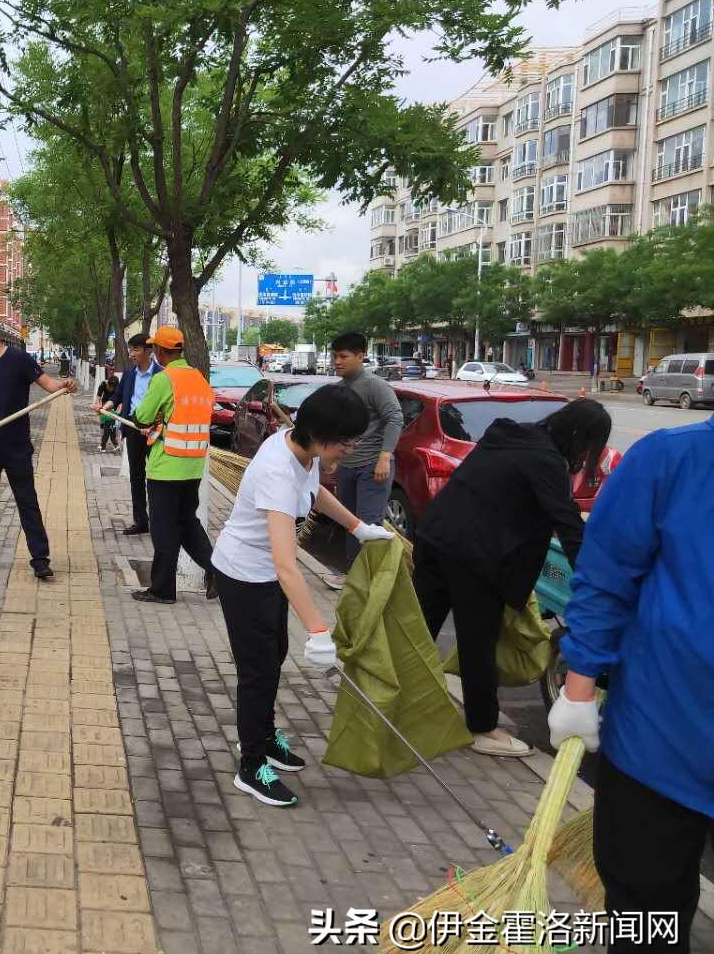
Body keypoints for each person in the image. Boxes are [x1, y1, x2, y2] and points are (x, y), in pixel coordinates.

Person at [547, 419, 712, 954]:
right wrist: (578, 687)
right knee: (649, 927)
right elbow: (605, 578)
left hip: (658, 743)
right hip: (659, 747)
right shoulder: (672, 461)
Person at [211, 384, 392, 806]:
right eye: (347, 441)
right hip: (243, 574)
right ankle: (251, 764)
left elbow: (315, 493)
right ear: (323, 434)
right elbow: (286, 563)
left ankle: (263, 734)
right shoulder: (277, 470)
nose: (350, 448)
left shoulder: (303, 449)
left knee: (274, 656)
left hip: (265, 575)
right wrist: (319, 629)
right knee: (258, 672)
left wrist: (358, 527)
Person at [414, 398, 609, 757]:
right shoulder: (546, 460)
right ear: (581, 438)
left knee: (418, 628)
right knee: (478, 642)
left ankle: (399, 704)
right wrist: (598, 583)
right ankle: (483, 728)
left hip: (435, 536)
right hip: (474, 556)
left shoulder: (508, 434)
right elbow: (567, 523)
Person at [0, 312, 74, 580]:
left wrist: (64, 385)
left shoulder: (19, 360)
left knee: (27, 501)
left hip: (17, 446)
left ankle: (40, 558)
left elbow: (49, 385)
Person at [130, 326, 217, 604]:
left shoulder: (164, 379)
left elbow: (142, 416)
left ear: (161, 351)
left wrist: (152, 421)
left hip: (166, 466)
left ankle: (162, 589)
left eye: (155, 348)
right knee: (187, 523)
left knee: (164, 530)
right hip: (193, 467)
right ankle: (218, 571)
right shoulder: (199, 379)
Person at [328, 331, 403, 581]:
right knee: (351, 523)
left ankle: (369, 581)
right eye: (334, 356)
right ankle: (352, 576)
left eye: (343, 356)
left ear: (360, 356)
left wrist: (385, 457)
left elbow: (395, 418)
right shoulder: (339, 389)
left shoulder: (375, 386)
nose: (337, 361)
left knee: (369, 525)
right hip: (348, 467)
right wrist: (332, 459)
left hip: (373, 467)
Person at [101, 334, 162, 535]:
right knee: (136, 476)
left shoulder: (162, 375)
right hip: (133, 429)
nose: (131, 354)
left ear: (148, 351)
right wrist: (106, 406)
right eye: (130, 349)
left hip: (155, 432)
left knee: (156, 478)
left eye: (136, 349)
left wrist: (155, 423)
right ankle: (140, 521)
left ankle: (159, 521)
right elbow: (118, 395)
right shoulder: (129, 374)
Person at [94, 372, 121, 452]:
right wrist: (98, 410)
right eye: (110, 387)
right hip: (105, 404)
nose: (111, 389)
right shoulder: (103, 385)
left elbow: (121, 402)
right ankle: (103, 443)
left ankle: (109, 444)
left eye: (113, 388)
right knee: (103, 424)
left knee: (111, 426)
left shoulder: (118, 388)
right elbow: (98, 398)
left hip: (114, 404)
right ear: (107, 384)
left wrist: (117, 413)